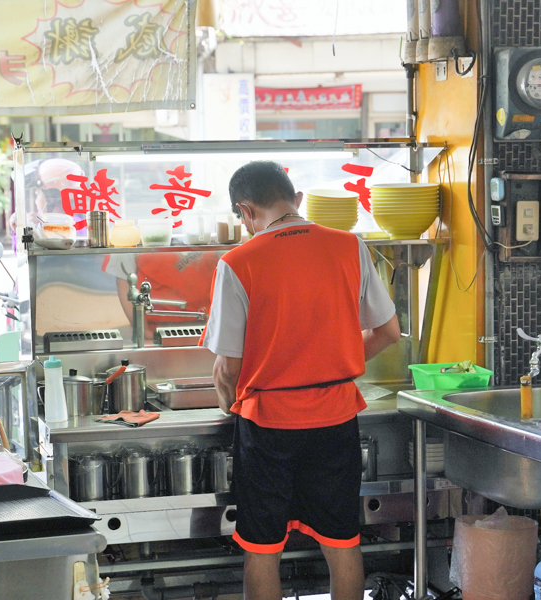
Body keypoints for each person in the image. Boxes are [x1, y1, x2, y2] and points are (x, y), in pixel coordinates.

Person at [202, 161, 400, 600]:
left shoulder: (237, 262)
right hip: (336, 417)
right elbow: (387, 332)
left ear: (245, 211)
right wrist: (337, 360)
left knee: (262, 546)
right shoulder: (350, 246)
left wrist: (226, 403)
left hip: (268, 424)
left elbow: (227, 367)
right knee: (341, 540)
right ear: (298, 200)